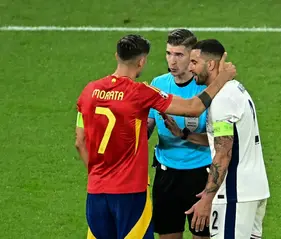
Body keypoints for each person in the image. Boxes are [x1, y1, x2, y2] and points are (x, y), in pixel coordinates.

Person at [74, 34, 236, 239]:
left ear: (117, 56)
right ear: (142, 61)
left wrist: (98, 174)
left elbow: (80, 142)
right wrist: (222, 78)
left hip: (96, 191)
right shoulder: (141, 92)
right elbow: (193, 107)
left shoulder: (89, 91)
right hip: (130, 191)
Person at [165, 39, 270, 239]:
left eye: (194, 62)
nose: (190, 68)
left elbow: (223, 153)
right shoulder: (236, 89)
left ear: (211, 64)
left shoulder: (222, 100)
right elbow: (224, 140)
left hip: (234, 194)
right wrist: (184, 134)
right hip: (253, 190)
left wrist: (207, 198)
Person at [147, 29, 211, 239]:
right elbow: (147, 126)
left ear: (193, 56)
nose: (172, 61)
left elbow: (217, 140)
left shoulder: (205, 88)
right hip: (166, 176)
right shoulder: (158, 84)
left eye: (179, 55)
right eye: (169, 53)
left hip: (201, 174)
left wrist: (184, 135)